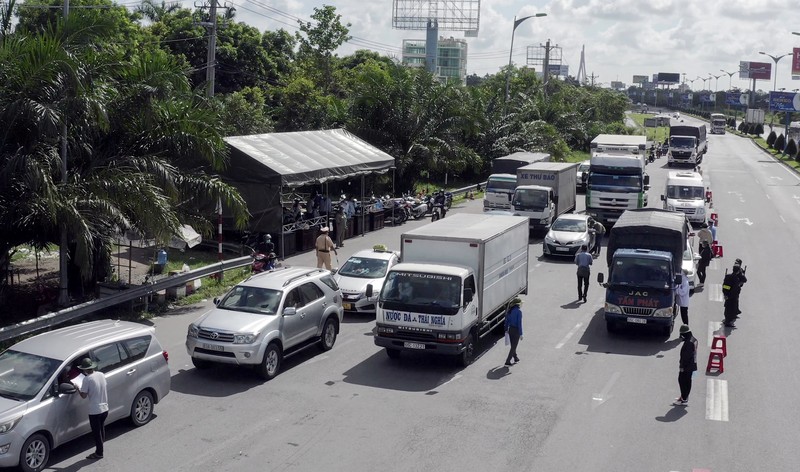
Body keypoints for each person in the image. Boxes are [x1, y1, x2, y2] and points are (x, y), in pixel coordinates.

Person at [71, 358, 108, 460]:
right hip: (105, 408)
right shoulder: (101, 374)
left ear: (85, 370)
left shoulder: (87, 379)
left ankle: (99, 453)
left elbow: (83, 395)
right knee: (101, 428)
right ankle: (101, 445)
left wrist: (77, 388)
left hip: (95, 411)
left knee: (96, 433)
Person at [673, 325, 698, 406]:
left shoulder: (688, 343)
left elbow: (686, 357)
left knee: (682, 381)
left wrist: (682, 367)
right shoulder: (694, 339)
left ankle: (684, 398)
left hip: (687, 366)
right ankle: (684, 396)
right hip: (692, 364)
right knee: (687, 381)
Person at [722, 262, 747, 327]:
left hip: (730, 295)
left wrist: (725, 294)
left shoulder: (728, 276)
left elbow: (725, 286)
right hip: (732, 296)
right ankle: (728, 321)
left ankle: (728, 320)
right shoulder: (736, 278)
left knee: (728, 308)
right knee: (730, 308)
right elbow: (730, 287)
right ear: (738, 271)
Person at [504, 297, 523, 366]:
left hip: (510, 329)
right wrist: (521, 334)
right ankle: (507, 361)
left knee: (513, 345)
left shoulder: (510, 311)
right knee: (514, 347)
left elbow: (507, 321)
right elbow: (519, 323)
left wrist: (506, 329)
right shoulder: (519, 312)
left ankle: (515, 358)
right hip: (516, 330)